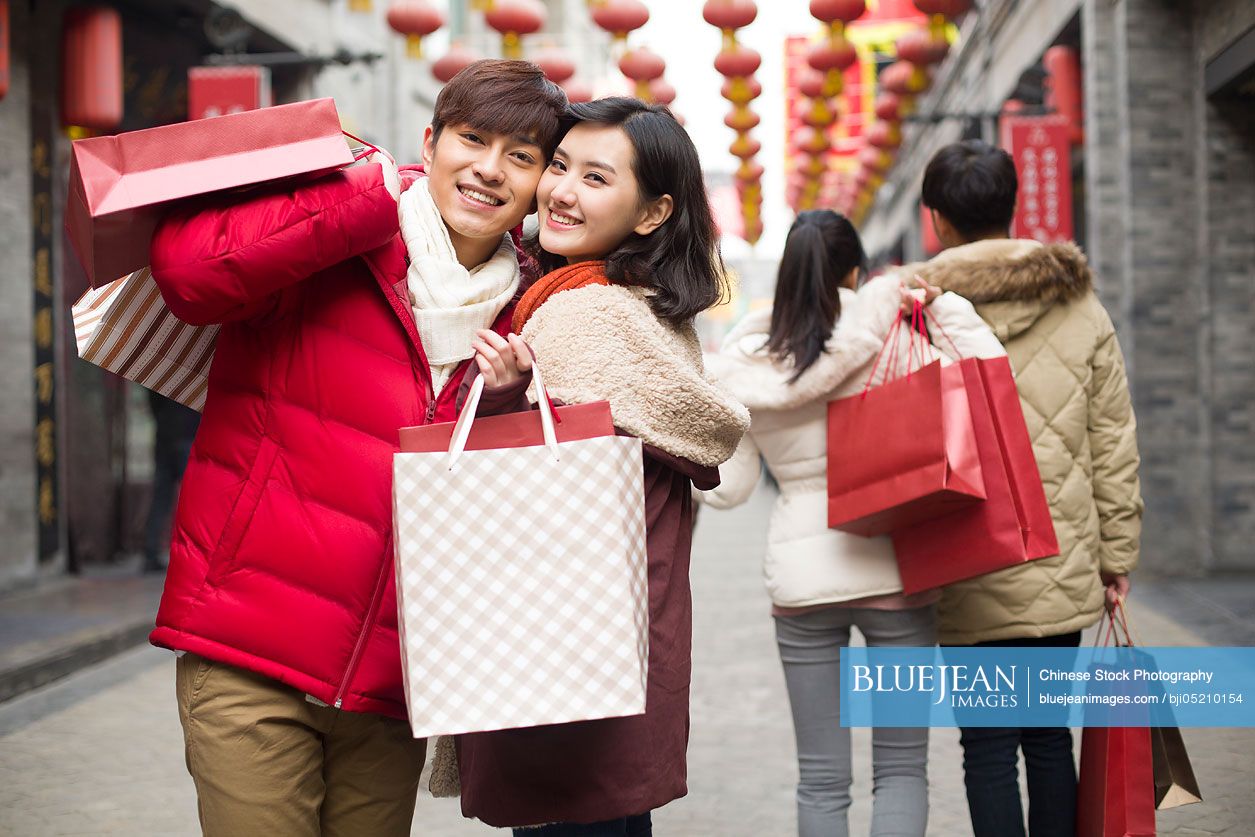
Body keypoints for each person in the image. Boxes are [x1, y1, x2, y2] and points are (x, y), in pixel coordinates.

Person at [144, 60, 567, 836]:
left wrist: (507, 398)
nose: (489, 170)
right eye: (472, 140)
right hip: (248, 653)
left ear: (542, 179)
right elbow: (186, 273)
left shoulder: (531, 311)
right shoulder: (337, 241)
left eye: (521, 155)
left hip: (391, 685)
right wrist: (358, 198)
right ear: (430, 141)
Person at [460, 97, 751, 835]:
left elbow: (531, 495)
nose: (559, 190)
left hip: (560, 646)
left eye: (595, 178)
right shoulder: (642, 308)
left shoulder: (575, 313)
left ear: (652, 213)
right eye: (558, 166)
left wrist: (498, 404)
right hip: (622, 644)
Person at [697, 210, 1005, 837]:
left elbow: (731, 491)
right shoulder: (896, 333)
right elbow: (990, 376)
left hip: (801, 584)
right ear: (856, 271)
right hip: (897, 570)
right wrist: (942, 308)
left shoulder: (748, 362)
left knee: (820, 777)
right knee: (900, 770)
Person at [908, 139, 1144, 837]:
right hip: (1061, 556)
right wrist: (1116, 556)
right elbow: (1113, 440)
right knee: (1047, 737)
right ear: (1011, 208)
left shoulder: (912, 310)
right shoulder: (1079, 305)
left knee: (984, 746)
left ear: (935, 220)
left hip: (961, 558)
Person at [142, 390, 200, 574]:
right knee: (195, 500)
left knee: (162, 498)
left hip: (165, 435)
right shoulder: (195, 373)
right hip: (188, 435)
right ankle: (195, 553)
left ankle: (150, 553)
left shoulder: (161, 373)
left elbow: (154, 404)